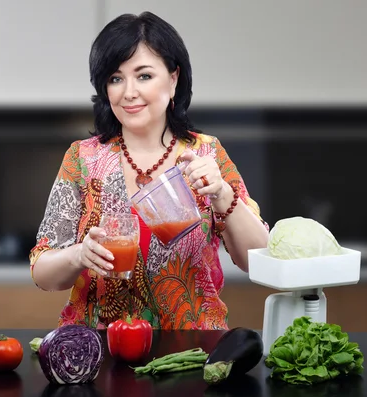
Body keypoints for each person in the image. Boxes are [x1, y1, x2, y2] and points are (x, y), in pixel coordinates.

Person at [29, 11, 269, 330]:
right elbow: (42, 274)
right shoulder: (82, 159)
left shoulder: (207, 153)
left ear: (173, 79)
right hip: (98, 352)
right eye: (116, 78)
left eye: (144, 75)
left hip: (192, 352)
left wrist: (222, 193)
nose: (129, 92)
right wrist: (78, 256)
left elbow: (258, 259)